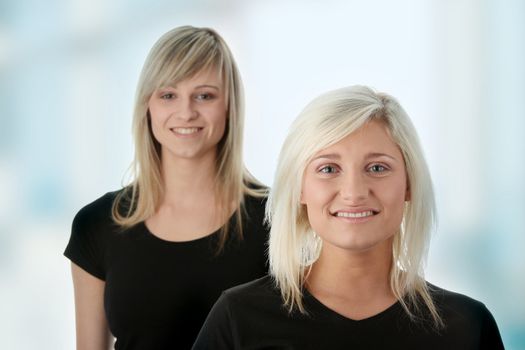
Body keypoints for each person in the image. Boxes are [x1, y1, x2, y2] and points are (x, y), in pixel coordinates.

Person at [192, 85, 504, 349]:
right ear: (300, 188)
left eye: (377, 168)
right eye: (328, 169)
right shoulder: (238, 318)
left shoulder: (467, 328)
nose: (354, 192)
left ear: (408, 184)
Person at [64, 26, 269, 349]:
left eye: (204, 95)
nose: (186, 112)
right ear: (148, 105)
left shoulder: (276, 220)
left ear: (229, 105)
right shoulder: (97, 225)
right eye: (168, 95)